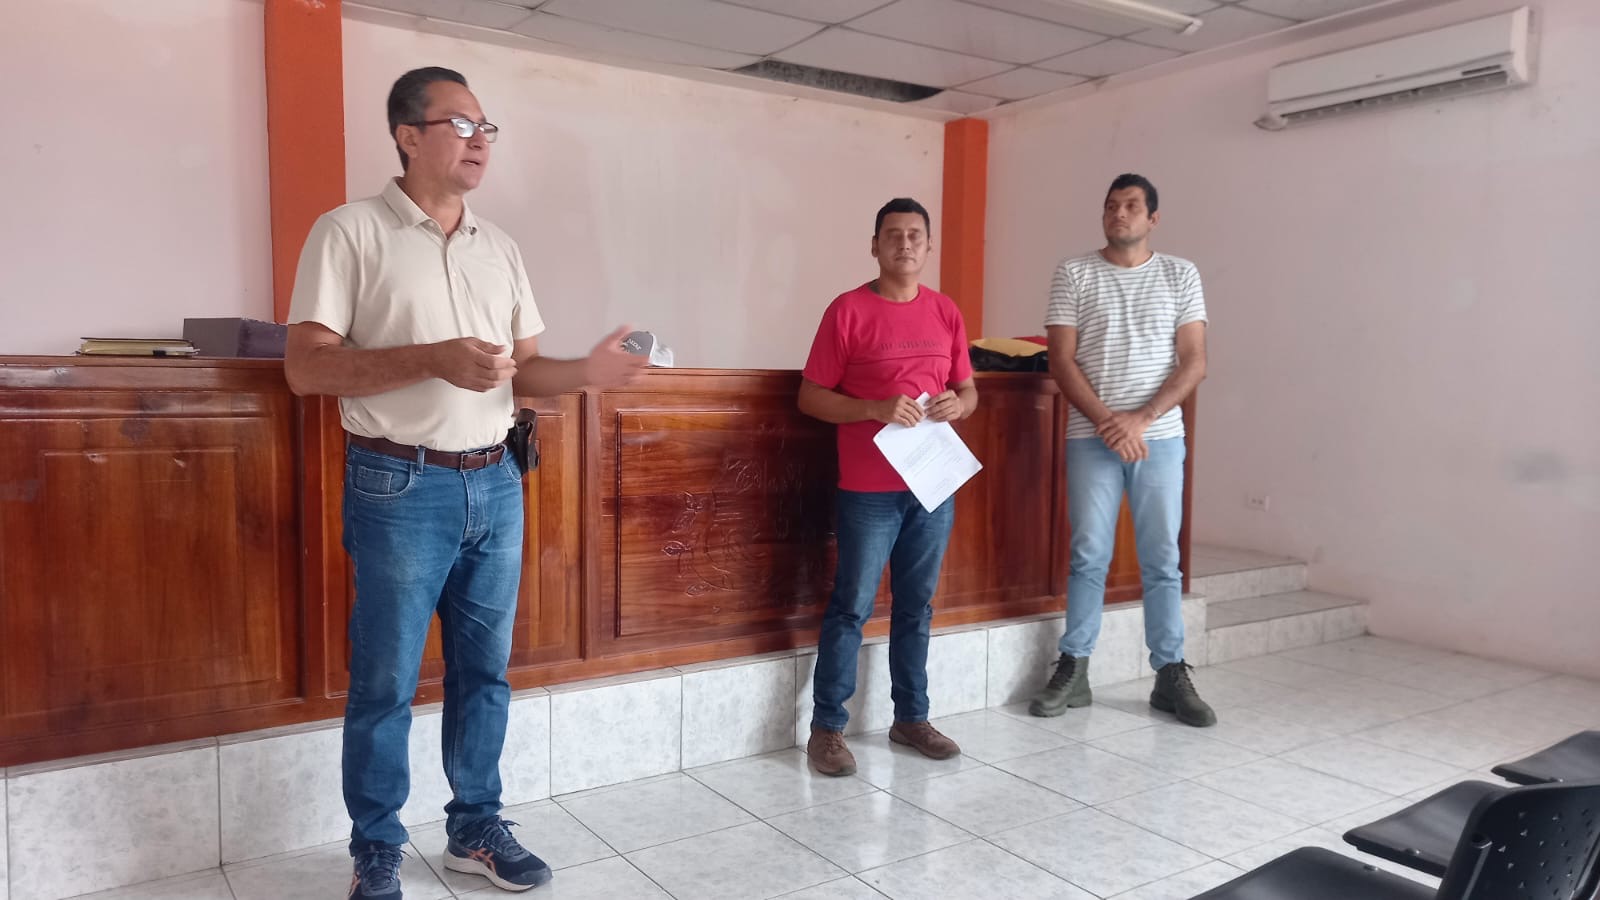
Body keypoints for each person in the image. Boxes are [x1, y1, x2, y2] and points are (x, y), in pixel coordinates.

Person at [284, 66, 644, 899]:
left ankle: (475, 827)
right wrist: (435, 358)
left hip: (497, 481)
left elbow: (526, 370)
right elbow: (306, 369)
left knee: (486, 673)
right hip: (399, 484)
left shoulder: (500, 247)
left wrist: (586, 372)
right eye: (461, 124)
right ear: (408, 135)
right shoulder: (348, 232)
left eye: (488, 128)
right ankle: (376, 846)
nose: (481, 141)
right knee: (386, 681)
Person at [798, 197, 979, 777]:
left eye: (915, 235)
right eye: (893, 235)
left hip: (933, 484)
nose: (905, 243)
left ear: (928, 246)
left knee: (916, 607)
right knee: (851, 606)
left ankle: (911, 719)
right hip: (868, 489)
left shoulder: (945, 311)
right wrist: (873, 407)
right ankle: (827, 729)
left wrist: (959, 405)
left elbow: (969, 391)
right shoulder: (848, 310)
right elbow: (810, 397)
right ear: (875, 246)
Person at [1028, 173, 1215, 727]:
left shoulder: (1181, 274)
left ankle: (1170, 673)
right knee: (1088, 554)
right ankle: (1075, 668)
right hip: (1092, 438)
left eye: (1132, 205)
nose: (1119, 213)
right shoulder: (1074, 272)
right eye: (1112, 205)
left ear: (1153, 218)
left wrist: (1141, 418)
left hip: (1160, 438)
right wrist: (1110, 422)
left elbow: (1195, 361)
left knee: (1162, 559)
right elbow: (1061, 359)